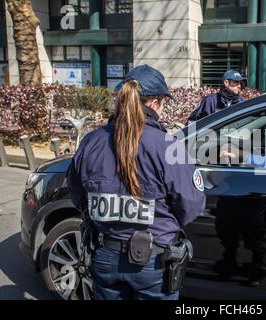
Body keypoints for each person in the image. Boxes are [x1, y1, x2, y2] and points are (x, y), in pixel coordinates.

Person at [66, 65, 206, 300]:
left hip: (104, 255)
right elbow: (191, 204)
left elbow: (77, 194)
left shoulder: (92, 141)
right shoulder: (168, 145)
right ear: (154, 103)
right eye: (163, 103)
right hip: (153, 261)